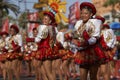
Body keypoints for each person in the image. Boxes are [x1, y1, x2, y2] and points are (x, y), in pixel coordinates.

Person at [71, 2, 105, 80]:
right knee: (82, 77)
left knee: (93, 76)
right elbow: (75, 36)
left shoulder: (96, 22)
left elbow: (95, 38)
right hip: (82, 53)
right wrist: (74, 42)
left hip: (93, 52)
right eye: (82, 13)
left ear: (91, 14)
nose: (83, 15)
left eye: (86, 13)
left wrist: (85, 43)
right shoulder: (78, 23)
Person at [26, 11, 55, 80]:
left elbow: (38, 39)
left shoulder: (45, 27)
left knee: (48, 72)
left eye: (46, 19)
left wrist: (29, 39)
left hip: (45, 50)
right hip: (43, 49)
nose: (44, 20)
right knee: (43, 71)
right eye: (43, 19)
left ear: (50, 21)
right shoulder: (50, 28)